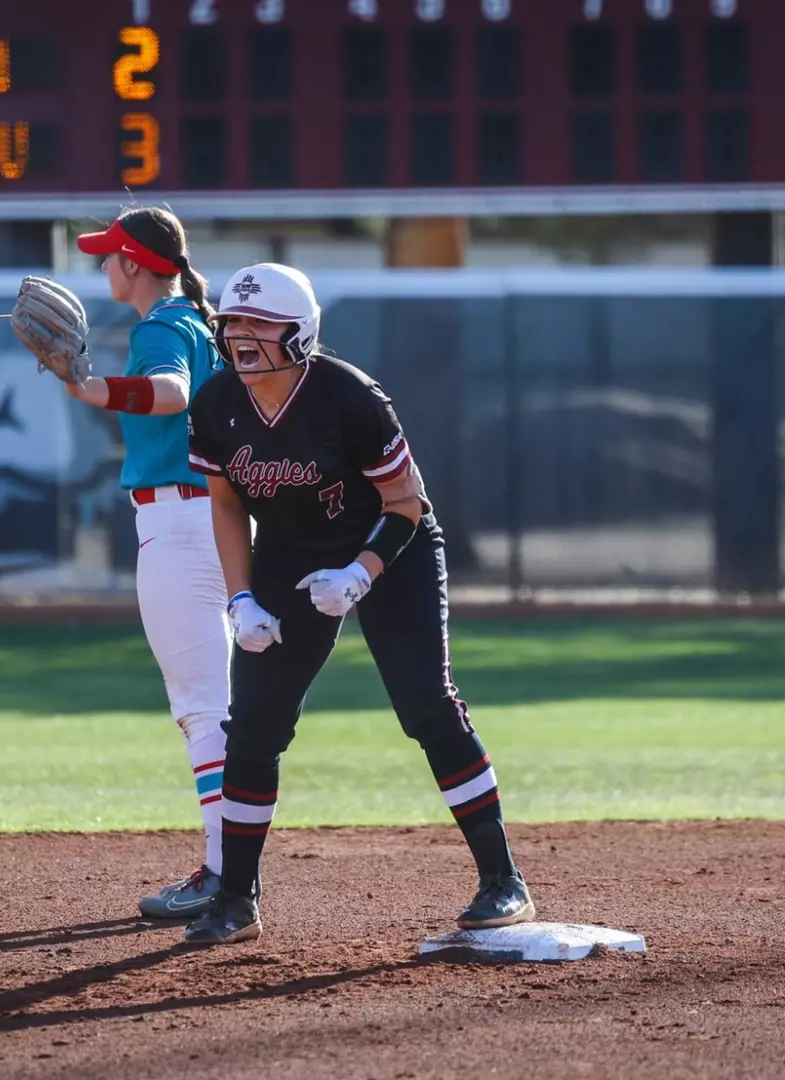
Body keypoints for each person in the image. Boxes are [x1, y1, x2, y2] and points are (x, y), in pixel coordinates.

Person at [181, 263, 535, 945]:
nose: (243, 337)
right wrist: (241, 599)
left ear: (302, 332)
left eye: (260, 323)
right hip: (287, 552)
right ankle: (236, 898)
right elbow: (224, 504)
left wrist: (361, 574)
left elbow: (408, 503)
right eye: (233, 323)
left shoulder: (350, 396)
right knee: (253, 724)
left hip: (388, 550)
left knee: (426, 703)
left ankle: (503, 880)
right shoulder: (217, 401)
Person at [64, 207, 231, 918]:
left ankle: (227, 872)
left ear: (133, 262)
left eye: (109, 256)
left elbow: (170, 394)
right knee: (221, 707)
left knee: (203, 710)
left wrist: (91, 387)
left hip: (182, 522)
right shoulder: (197, 319)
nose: (103, 266)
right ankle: (232, 865)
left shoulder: (162, 324)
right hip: (217, 521)